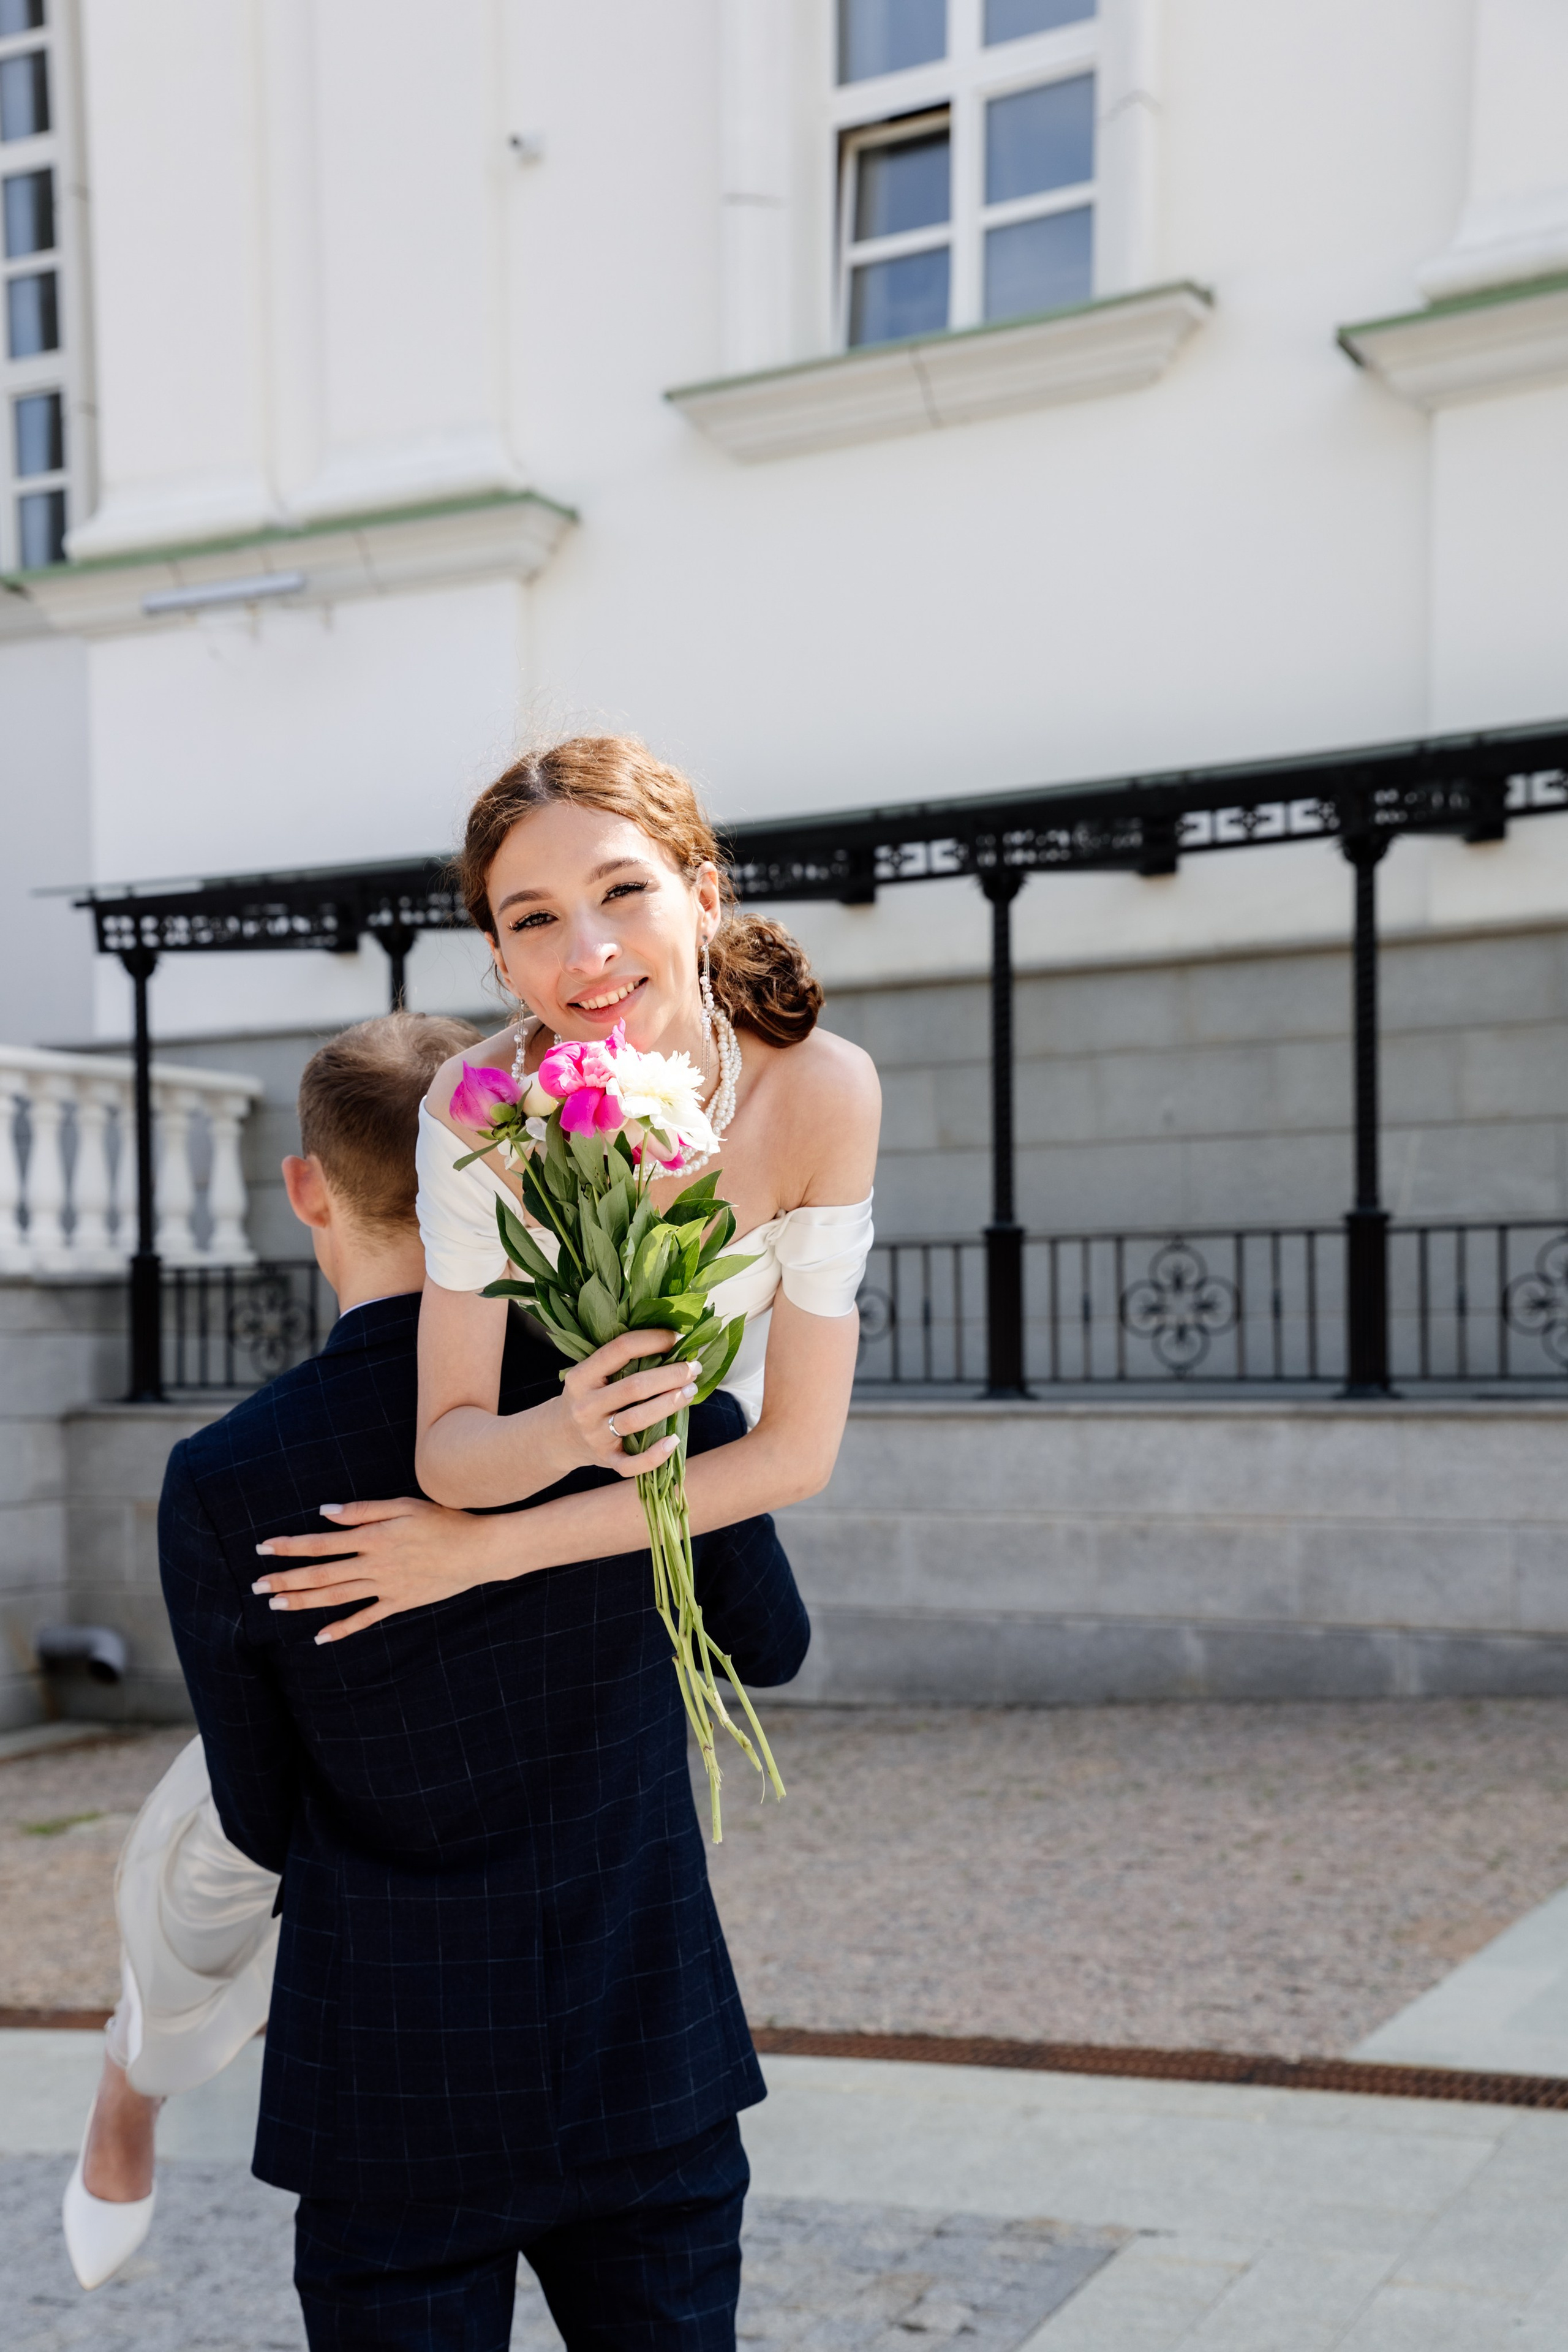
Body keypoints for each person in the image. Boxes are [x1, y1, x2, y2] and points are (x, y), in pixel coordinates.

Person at [66, 1009, 810, 2352]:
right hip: (648, 2048)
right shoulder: (638, 1380)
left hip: (391, 2084)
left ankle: (125, 2097)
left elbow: (260, 1813)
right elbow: (773, 1646)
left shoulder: (227, 1480)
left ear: (306, 1186)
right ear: (517, 1169)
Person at [251, 734, 882, 1642]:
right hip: (569, 1499)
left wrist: (478, 1554)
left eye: (623, 892)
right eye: (535, 919)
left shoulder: (824, 1089)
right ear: (502, 959)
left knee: (770, 1651)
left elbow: (797, 1451)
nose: (588, 954)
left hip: (718, 1497)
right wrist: (568, 1430)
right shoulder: (477, 1110)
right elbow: (452, 1457)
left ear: (703, 899)